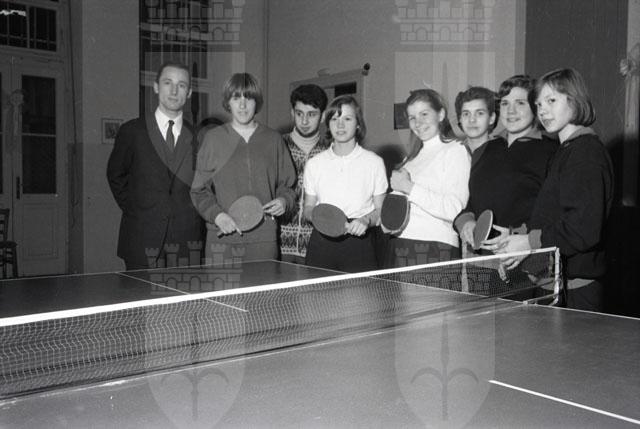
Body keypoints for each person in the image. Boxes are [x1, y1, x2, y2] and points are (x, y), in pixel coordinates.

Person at [490, 68, 614, 312]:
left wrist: (528, 242)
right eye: (538, 104)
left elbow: (582, 229)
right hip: (555, 283)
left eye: (551, 100)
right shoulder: (566, 150)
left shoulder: (586, 153)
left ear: (574, 100)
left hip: (576, 290)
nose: (543, 110)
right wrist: (519, 237)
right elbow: (553, 215)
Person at [107, 61, 204, 270]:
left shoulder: (199, 137)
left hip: (186, 243)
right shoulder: (132, 131)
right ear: (156, 87)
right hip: (141, 239)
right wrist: (138, 208)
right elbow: (115, 175)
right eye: (168, 83)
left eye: (181, 85)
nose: (174, 91)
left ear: (189, 93)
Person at [190, 73, 296, 263]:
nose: (242, 105)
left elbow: (288, 186)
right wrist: (217, 216)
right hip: (222, 238)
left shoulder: (273, 140)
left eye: (249, 98)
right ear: (227, 102)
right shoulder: (213, 139)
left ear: (257, 102)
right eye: (236, 98)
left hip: (264, 239)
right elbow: (198, 191)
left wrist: (283, 200)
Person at [455, 75, 558, 250]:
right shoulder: (486, 149)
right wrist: (466, 223)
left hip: (524, 258)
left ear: (535, 107)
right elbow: (471, 203)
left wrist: (520, 236)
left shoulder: (551, 151)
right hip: (480, 258)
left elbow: (555, 212)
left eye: (520, 103)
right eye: (505, 103)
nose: (511, 111)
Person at [384, 89, 470, 266]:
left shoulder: (455, 150)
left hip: (435, 248)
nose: (418, 123)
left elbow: (453, 210)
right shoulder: (410, 158)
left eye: (424, 114)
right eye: (412, 117)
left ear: (441, 114)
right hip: (399, 244)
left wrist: (409, 187)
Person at [303, 95, 387, 272]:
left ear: (358, 124)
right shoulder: (314, 164)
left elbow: (381, 210)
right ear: (328, 124)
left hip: (360, 243)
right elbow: (308, 208)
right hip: (322, 242)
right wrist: (323, 220)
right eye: (334, 119)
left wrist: (365, 220)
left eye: (347, 119)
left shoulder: (374, 162)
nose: (340, 125)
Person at [279, 84, 330, 264]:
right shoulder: (277, 145)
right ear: (292, 113)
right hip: (279, 244)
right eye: (299, 113)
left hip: (315, 245)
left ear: (323, 116)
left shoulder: (330, 152)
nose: (305, 121)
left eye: (312, 114)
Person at [454, 86, 498, 166]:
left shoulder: (503, 154)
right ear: (460, 119)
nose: (472, 120)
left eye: (479, 113)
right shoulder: (451, 153)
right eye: (466, 114)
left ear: (491, 118)